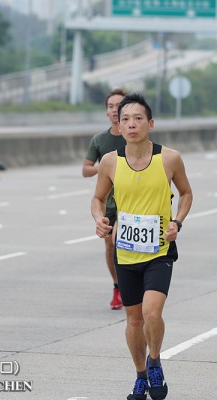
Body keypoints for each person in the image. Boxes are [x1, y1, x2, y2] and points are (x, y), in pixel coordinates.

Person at [91, 93, 193, 400]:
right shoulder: (110, 162)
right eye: (125, 119)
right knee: (134, 320)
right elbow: (98, 198)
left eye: (138, 119)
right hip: (125, 251)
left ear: (150, 123)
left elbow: (186, 193)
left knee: (151, 312)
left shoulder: (169, 159)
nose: (131, 124)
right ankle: (140, 376)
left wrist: (177, 222)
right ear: (119, 125)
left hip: (159, 250)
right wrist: (99, 219)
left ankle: (155, 361)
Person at [82, 88, 128, 310]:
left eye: (119, 106)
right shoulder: (100, 140)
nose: (114, 110)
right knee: (110, 245)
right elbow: (86, 169)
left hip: (132, 201)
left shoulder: (135, 136)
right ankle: (117, 287)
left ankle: (132, 285)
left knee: (122, 243)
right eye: (110, 106)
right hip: (109, 203)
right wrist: (105, 168)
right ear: (106, 112)